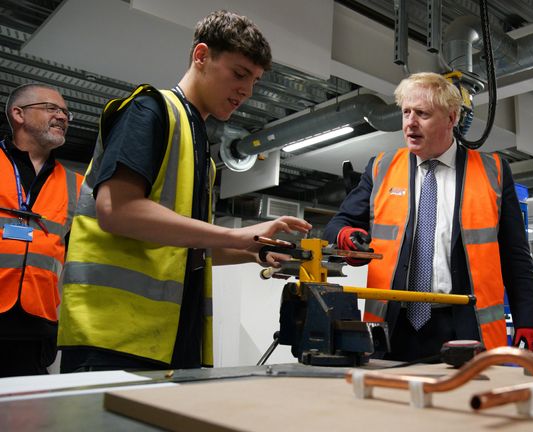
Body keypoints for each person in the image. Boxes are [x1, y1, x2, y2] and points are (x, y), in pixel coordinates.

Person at [57, 10, 311, 373]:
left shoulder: (201, 154)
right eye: (239, 74)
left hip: (172, 338)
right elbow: (117, 210)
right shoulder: (150, 110)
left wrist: (252, 249)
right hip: (112, 337)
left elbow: (184, 247)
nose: (247, 90)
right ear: (202, 56)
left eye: (254, 80)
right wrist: (234, 234)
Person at [324, 72, 533, 362]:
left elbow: (515, 255)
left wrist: (528, 318)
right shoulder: (380, 168)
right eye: (406, 112)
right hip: (392, 325)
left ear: (452, 118)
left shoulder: (494, 171)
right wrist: (347, 239)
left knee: (461, 403)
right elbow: (337, 225)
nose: (410, 123)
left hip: (463, 324)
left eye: (423, 114)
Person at [0, 83, 83, 377]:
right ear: (18, 114)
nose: (62, 116)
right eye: (51, 108)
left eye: (65, 112)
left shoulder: (77, 186)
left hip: (37, 329)